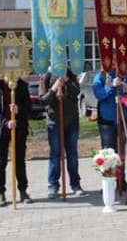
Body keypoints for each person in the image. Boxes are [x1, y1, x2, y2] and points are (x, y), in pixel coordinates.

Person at [40, 68, 85, 199]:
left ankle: (75, 184)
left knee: (72, 154)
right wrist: (54, 88)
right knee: (55, 154)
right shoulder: (46, 77)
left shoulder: (71, 74)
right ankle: (53, 185)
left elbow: (77, 92)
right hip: (54, 121)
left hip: (71, 121)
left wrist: (67, 82)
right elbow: (43, 100)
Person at [0, 76, 33, 207]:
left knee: (19, 161)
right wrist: (6, 123)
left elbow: (29, 108)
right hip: (2, 131)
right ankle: (0, 192)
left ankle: (23, 190)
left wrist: (19, 110)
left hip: (19, 130)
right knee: (0, 162)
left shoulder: (23, 86)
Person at [92, 69, 127, 190]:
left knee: (121, 151)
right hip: (107, 120)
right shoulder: (100, 76)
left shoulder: (125, 75)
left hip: (122, 118)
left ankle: (121, 181)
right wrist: (110, 87)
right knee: (107, 152)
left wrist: (126, 90)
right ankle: (108, 182)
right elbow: (98, 94)